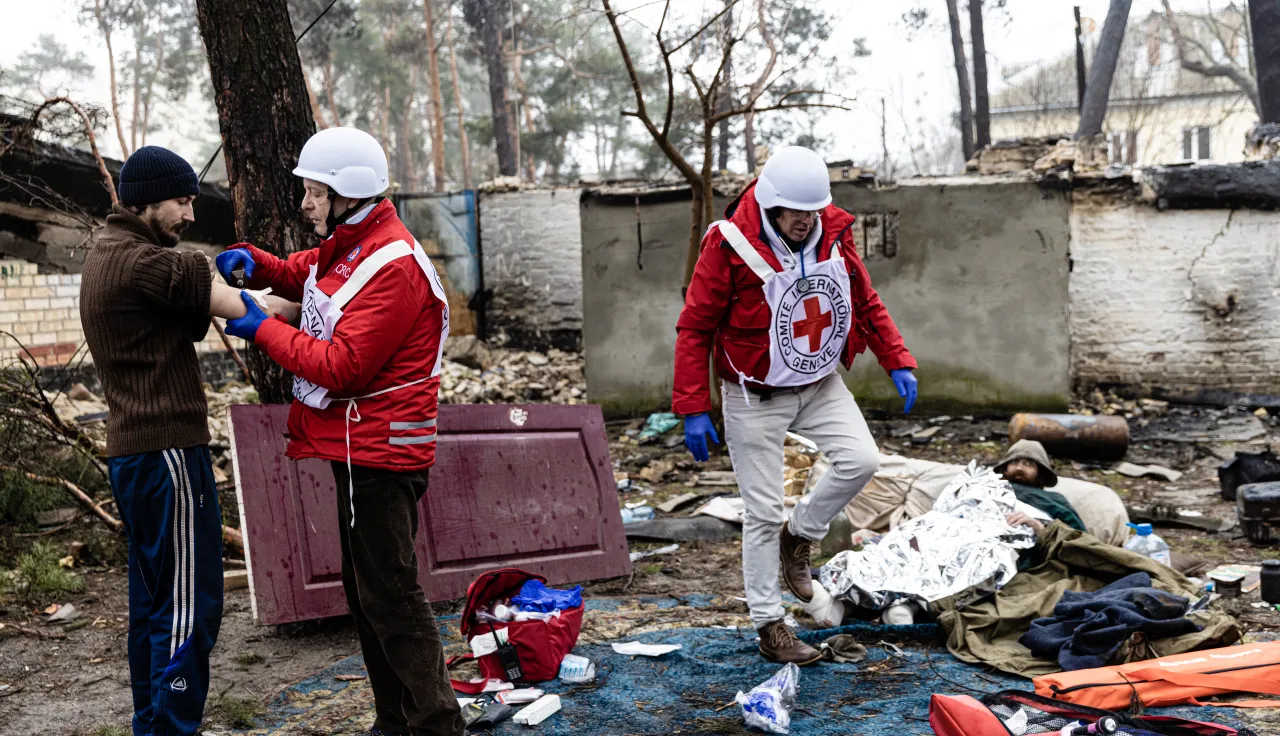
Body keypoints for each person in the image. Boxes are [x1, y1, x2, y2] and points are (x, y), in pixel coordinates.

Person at [214, 127, 464, 736]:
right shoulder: (355, 242)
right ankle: (395, 721)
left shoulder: (393, 267)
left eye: (314, 192)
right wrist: (266, 266)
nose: (304, 203)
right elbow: (316, 273)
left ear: (347, 194)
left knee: (391, 595)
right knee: (367, 591)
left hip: (382, 449)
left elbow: (343, 366)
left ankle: (433, 723)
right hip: (361, 443)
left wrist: (259, 325)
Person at [672, 145, 918, 665]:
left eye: (813, 212)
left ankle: (800, 535)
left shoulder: (832, 230)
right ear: (770, 204)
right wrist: (693, 405)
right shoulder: (729, 245)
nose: (806, 223)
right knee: (761, 512)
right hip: (754, 393)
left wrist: (895, 356)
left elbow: (862, 295)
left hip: (818, 381)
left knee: (862, 460)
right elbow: (695, 327)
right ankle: (769, 624)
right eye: (796, 214)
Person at [80, 145, 295, 736]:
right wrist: (322, 299)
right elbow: (244, 309)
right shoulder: (147, 263)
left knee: (154, 606)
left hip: (136, 454)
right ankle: (173, 729)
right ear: (146, 200)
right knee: (190, 606)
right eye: (182, 201)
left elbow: (223, 304)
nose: (191, 214)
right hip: (167, 452)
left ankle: (153, 725)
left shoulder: (113, 253)